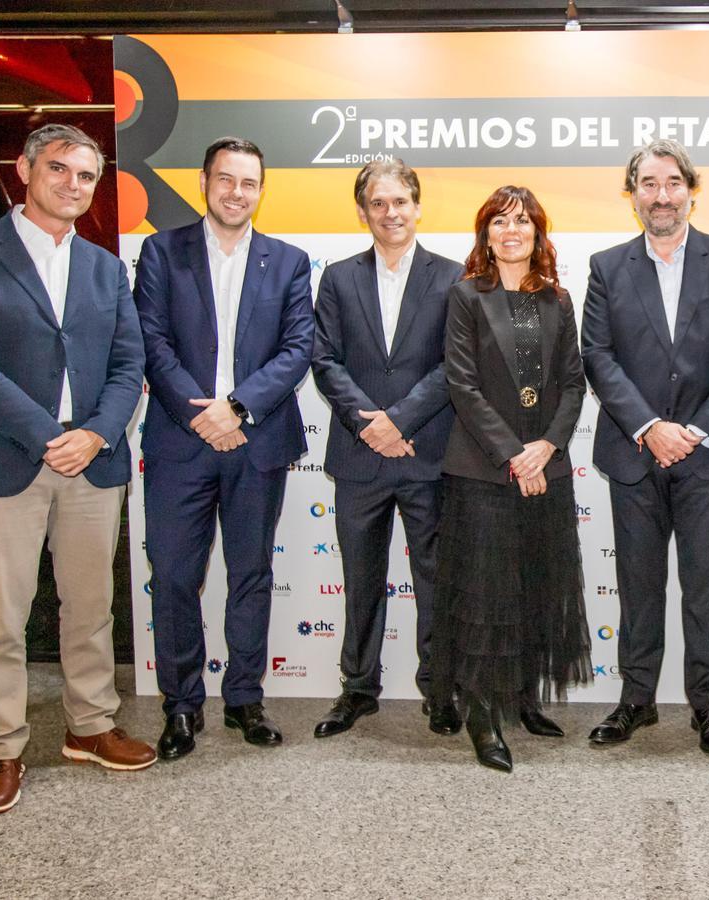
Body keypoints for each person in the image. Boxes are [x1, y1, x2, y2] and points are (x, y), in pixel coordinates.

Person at [0, 123, 154, 815]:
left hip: (90, 463)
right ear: (24, 170)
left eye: (86, 175)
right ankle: (0, 748)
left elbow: (129, 363)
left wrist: (96, 433)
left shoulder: (106, 268)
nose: (72, 185)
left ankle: (91, 726)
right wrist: (49, 436)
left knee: (90, 606)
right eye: (58, 169)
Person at [133, 136, 315, 759]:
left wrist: (236, 409)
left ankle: (244, 697)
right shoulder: (161, 252)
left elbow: (297, 349)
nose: (237, 193)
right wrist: (202, 416)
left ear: (262, 190)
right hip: (179, 441)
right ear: (204, 182)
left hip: (256, 441)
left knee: (251, 574)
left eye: (249, 183)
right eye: (226, 180)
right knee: (174, 577)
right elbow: (151, 341)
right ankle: (181, 705)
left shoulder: (289, 261)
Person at [581, 140, 709, 758]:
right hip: (633, 452)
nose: (661, 196)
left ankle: (707, 706)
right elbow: (597, 355)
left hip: (707, 453)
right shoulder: (607, 266)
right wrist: (648, 426)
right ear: (632, 195)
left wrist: (694, 429)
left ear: (691, 190)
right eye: (649, 184)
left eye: (672, 183)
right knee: (638, 585)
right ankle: (636, 700)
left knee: (705, 588)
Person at [429, 185, 591, 772]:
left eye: (522, 221)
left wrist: (546, 448)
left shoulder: (558, 299)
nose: (512, 231)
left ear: (538, 232)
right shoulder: (466, 296)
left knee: (535, 590)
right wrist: (514, 455)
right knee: (485, 597)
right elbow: (462, 386)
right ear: (486, 234)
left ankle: (523, 700)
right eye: (500, 222)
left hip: (546, 469)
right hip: (483, 472)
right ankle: (481, 713)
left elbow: (573, 383)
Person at [310, 158, 462, 739]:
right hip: (359, 457)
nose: (390, 212)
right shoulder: (338, 278)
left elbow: (455, 364)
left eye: (400, 201)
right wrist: (368, 424)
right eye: (378, 203)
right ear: (363, 211)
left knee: (436, 579)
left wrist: (398, 421)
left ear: (417, 207)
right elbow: (324, 359)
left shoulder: (454, 276)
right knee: (361, 579)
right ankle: (357, 687)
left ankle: (440, 688)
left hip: (429, 454)